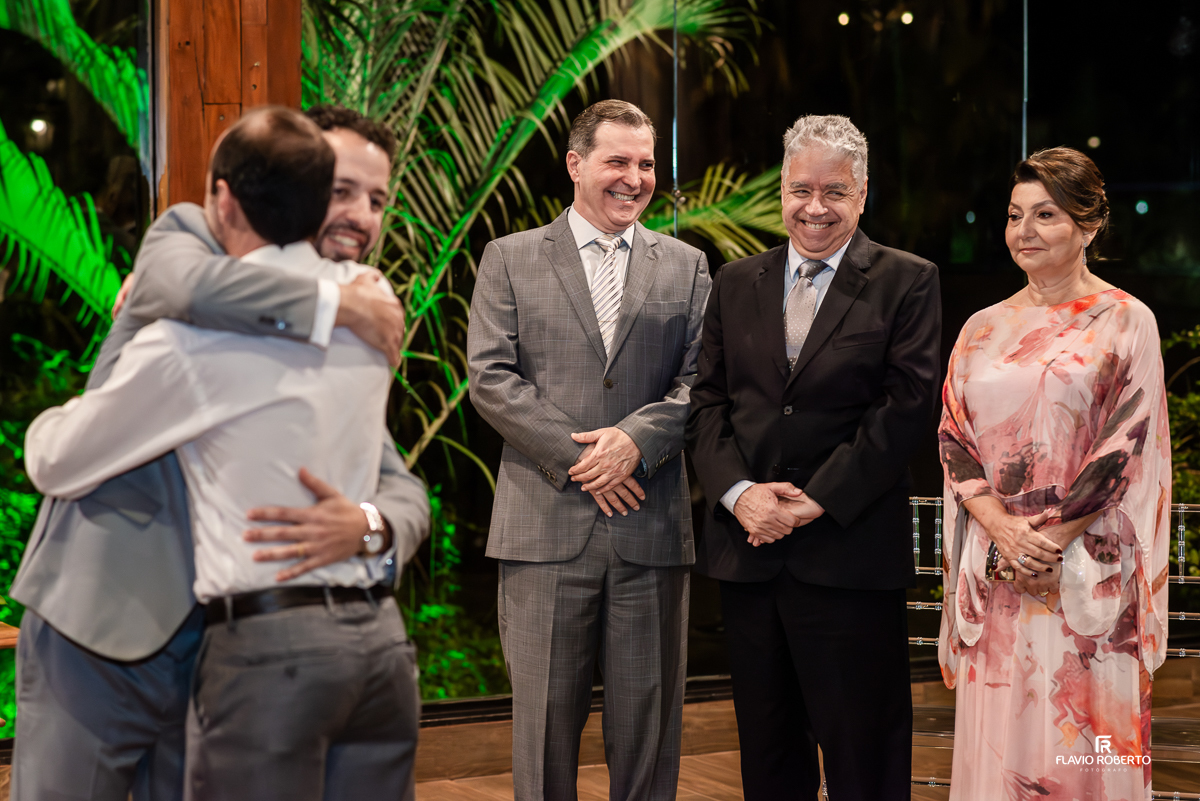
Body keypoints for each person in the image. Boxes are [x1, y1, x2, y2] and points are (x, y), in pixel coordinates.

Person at [10, 104, 429, 801]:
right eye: (339, 188)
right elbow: (177, 284)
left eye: (377, 199)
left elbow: (398, 482)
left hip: (240, 646)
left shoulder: (360, 322)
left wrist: (369, 524)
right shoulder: (192, 238)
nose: (359, 215)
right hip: (104, 618)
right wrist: (330, 307)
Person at [685, 114, 942, 800]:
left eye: (834, 190)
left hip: (848, 553)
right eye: (801, 189)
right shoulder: (736, 280)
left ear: (862, 193)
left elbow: (906, 408)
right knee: (768, 753)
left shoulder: (906, 280)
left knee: (863, 754)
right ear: (782, 191)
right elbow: (707, 404)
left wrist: (814, 499)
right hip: (750, 553)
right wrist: (741, 494)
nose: (815, 207)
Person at [466, 99, 711, 801]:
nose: (635, 178)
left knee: (648, 736)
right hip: (544, 530)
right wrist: (588, 462)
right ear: (576, 165)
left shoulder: (688, 266)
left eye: (645, 163)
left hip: (652, 528)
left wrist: (635, 441)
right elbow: (490, 377)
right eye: (618, 161)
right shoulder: (509, 258)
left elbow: (702, 383)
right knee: (542, 736)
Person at [938, 147, 1170, 800]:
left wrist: (1048, 541)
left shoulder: (1129, 320)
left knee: (1083, 756)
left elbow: (1126, 445)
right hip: (1001, 574)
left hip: (1089, 579)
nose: (1025, 231)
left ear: (1089, 225)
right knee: (1000, 758)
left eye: (1046, 214)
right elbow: (954, 440)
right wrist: (1005, 534)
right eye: (1015, 216)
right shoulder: (982, 328)